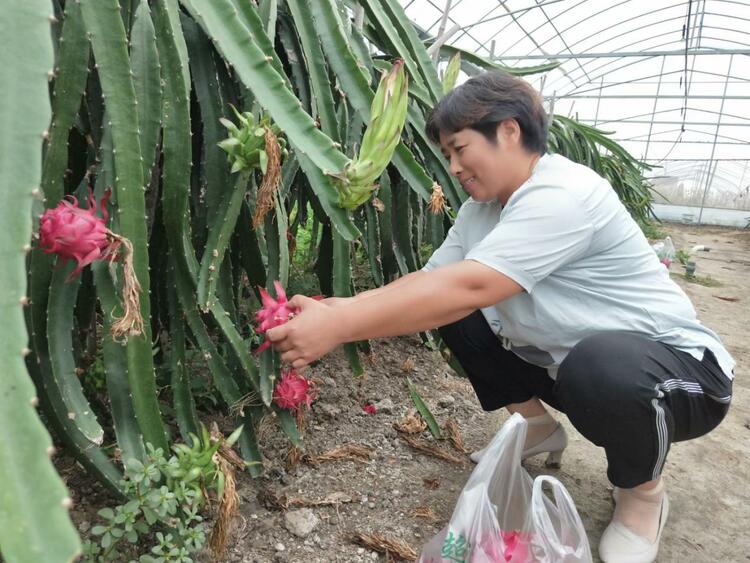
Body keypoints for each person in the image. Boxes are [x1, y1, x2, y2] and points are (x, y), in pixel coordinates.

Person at [266, 72, 734, 563]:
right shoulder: (480, 213)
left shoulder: (564, 193)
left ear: (508, 131)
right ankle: (535, 426)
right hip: (570, 368)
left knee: (599, 362)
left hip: (678, 376)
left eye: (459, 148)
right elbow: (431, 281)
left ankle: (643, 495)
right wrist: (338, 309)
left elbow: (474, 285)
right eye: (446, 155)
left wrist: (340, 329)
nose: (454, 167)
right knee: (453, 311)